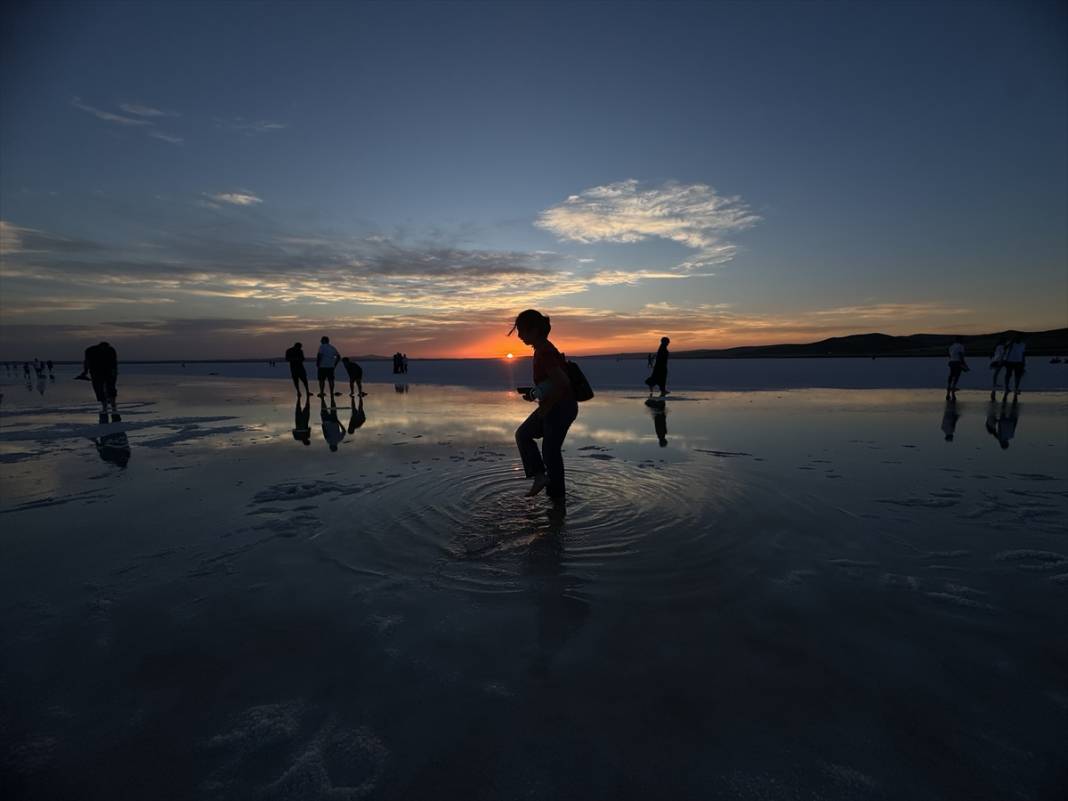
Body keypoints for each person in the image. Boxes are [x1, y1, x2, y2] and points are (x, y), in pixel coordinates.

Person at [509, 309, 578, 511]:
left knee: (547, 450)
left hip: (560, 408)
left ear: (535, 330)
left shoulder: (545, 352)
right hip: (556, 406)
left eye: (522, 331)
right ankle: (550, 491)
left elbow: (563, 382)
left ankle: (556, 500)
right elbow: (552, 382)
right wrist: (536, 392)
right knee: (540, 446)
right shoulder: (543, 349)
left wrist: (546, 403)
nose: (520, 335)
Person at [81, 341, 120, 422]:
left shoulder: (111, 350)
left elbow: (114, 362)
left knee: (111, 389)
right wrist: (85, 371)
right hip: (96, 372)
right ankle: (105, 407)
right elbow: (87, 361)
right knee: (99, 390)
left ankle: (113, 407)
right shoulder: (90, 350)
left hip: (108, 372)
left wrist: (115, 372)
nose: (105, 349)